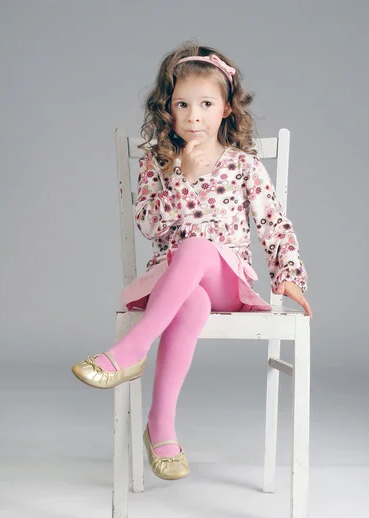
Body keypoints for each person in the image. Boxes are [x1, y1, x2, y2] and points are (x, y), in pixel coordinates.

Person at [72, 41, 312, 481]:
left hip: (228, 280)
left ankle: (130, 350)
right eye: (182, 104)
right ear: (168, 109)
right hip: (172, 282)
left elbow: (274, 224)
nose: (194, 115)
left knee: (200, 247)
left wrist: (289, 276)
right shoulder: (158, 164)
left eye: (206, 104)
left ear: (225, 109)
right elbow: (147, 225)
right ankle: (160, 426)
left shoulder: (243, 165)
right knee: (192, 301)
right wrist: (179, 174)